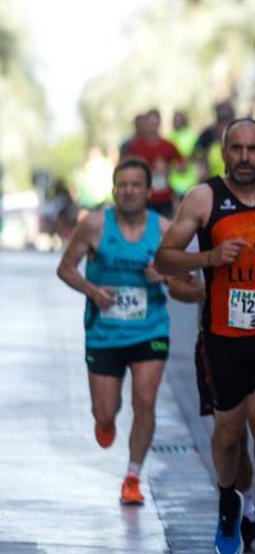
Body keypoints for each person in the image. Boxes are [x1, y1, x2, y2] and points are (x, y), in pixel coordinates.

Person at [155, 118, 255, 554]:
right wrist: (209, 256)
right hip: (223, 336)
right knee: (229, 435)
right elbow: (166, 258)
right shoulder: (204, 198)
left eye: (253, 149)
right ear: (225, 153)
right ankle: (229, 499)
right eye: (236, 149)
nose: (245, 157)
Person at [55, 158, 198, 506]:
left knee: (145, 401)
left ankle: (133, 476)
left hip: (150, 328)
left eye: (136, 185)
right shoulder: (94, 226)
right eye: (122, 184)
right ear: (114, 189)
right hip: (104, 331)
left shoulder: (165, 230)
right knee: (105, 412)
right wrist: (93, 291)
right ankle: (106, 420)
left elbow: (188, 281)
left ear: (149, 192)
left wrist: (164, 276)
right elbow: (65, 268)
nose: (129, 191)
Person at [124, 109, 185, 216]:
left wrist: (169, 169)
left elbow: (183, 165)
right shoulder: (135, 147)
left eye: (155, 122)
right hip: (144, 198)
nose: (153, 125)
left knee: (165, 229)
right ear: (145, 123)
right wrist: (143, 170)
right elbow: (125, 169)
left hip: (165, 198)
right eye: (150, 122)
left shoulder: (167, 145)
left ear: (159, 123)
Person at [196, 100, 237, 180]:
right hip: (213, 180)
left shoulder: (240, 131)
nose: (224, 123)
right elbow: (197, 153)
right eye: (221, 118)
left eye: (227, 118)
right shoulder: (208, 133)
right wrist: (203, 169)